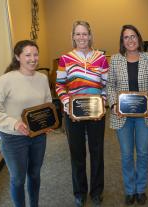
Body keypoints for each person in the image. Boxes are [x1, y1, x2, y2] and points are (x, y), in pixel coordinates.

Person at [0, 40, 51, 207]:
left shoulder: (42, 78)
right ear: (17, 57)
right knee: (18, 179)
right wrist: (14, 124)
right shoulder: (5, 80)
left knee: (35, 174)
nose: (33, 59)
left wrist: (48, 122)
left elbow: (48, 104)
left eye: (35, 54)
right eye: (27, 55)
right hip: (14, 139)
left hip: (38, 137)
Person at [55, 20, 109, 207]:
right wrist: (68, 103)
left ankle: (96, 191)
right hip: (73, 114)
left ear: (90, 35)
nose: (81, 37)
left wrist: (102, 102)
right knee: (77, 154)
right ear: (73, 37)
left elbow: (106, 84)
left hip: (96, 113)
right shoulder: (65, 59)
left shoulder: (101, 58)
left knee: (97, 152)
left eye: (84, 33)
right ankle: (79, 192)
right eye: (77, 34)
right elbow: (60, 85)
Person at [106, 25, 148, 206]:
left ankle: (141, 189)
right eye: (126, 37)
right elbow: (110, 85)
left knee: (143, 153)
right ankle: (130, 190)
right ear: (122, 41)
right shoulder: (115, 60)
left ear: (139, 38)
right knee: (127, 154)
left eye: (133, 36)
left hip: (145, 114)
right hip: (122, 115)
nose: (130, 40)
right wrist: (113, 104)